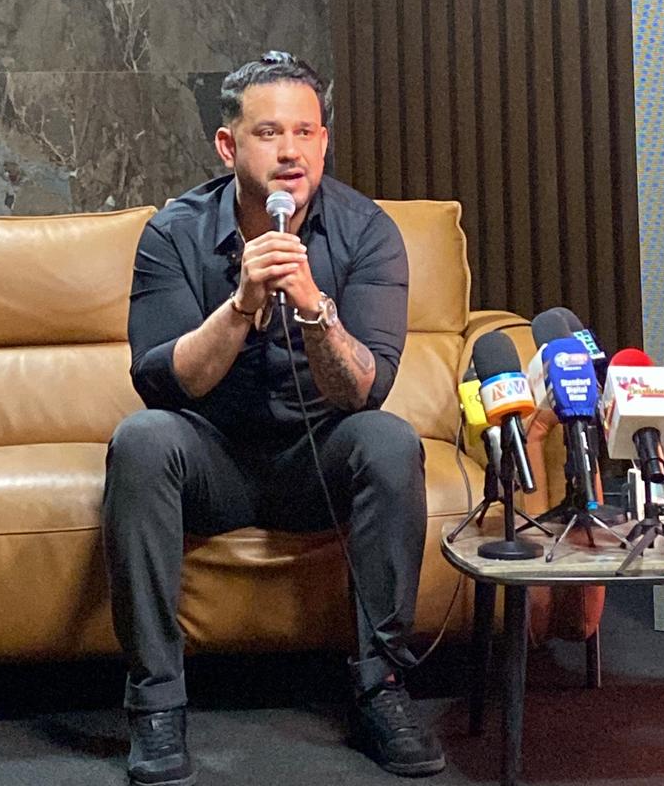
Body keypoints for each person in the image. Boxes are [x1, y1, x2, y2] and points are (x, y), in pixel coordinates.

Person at [102, 51, 446, 785]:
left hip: (317, 459)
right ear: (228, 146)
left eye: (305, 133)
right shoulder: (174, 233)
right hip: (212, 459)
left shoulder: (367, 232)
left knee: (389, 442)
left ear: (324, 141)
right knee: (141, 441)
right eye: (268, 133)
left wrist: (315, 309)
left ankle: (381, 687)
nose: (290, 152)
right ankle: (156, 702)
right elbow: (163, 384)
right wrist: (241, 305)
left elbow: (364, 392)